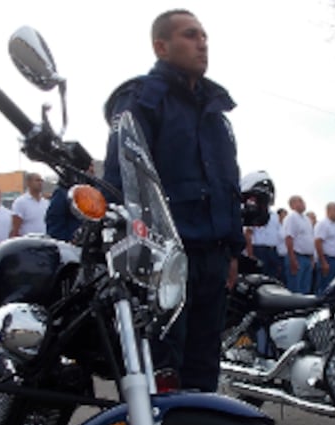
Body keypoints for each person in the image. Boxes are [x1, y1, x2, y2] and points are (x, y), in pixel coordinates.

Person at [102, 8, 242, 396]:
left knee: (203, 370)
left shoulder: (216, 111)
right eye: (190, 35)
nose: (202, 43)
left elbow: (226, 184)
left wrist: (232, 250)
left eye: (204, 36)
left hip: (212, 259)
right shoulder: (143, 100)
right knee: (162, 372)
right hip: (165, 263)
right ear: (161, 46)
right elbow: (122, 180)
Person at [283, 195, 315, 293]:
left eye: (303, 201)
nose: (303, 203)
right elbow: (289, 238)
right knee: (295, 289)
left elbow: (310, 239)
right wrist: (292, 259)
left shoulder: (306, 219)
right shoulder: (292, 217)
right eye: (299, 201)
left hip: (307, 259)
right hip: (297, 257)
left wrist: (312, 259)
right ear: (292, 205)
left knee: (305, 289)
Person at [314, 202, 335, 294]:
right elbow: (318, 242)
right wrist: (323, 262)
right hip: (328, 260)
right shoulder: (323, 224)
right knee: (325, 287)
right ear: (328, 211)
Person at [10, 172, 48, 237]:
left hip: (44, 241)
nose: (40, 183)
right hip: (28, 243)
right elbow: (15, 229)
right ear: (29, 183)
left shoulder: (46, 203)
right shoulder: (20, 202)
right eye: (37, 180)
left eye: (41, 181)